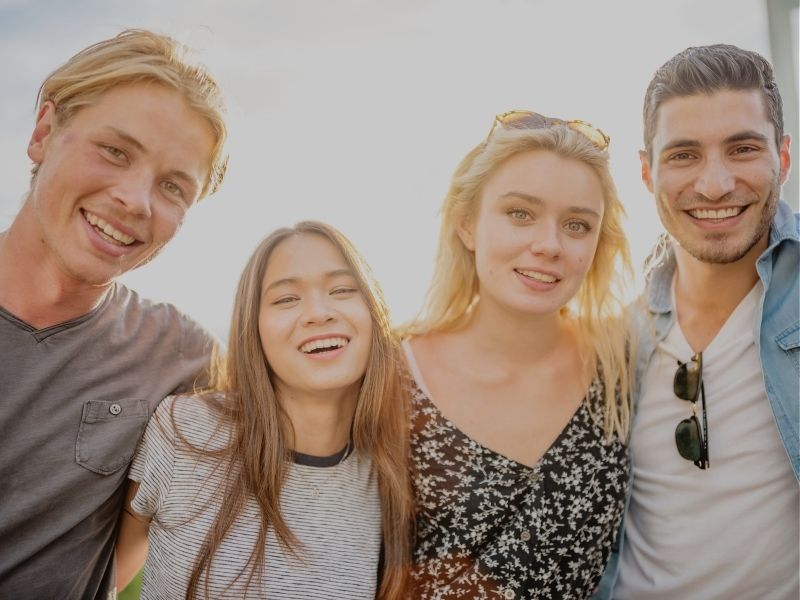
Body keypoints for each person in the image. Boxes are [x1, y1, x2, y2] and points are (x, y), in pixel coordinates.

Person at [0, 29, 228, 598]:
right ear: (44, 132)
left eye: (173, 186)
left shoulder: (182, 357)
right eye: (115, 151)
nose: (136, 200)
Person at [402, 111, 633, 599]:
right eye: (520, 214)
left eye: (577, 225)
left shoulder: (622, 367)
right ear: (467, 224)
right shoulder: (393, 371)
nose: (548, 245)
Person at [115, 222, 414, 599]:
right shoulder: (185, 430)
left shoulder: (392, 472)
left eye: (342, 290)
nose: (318, 313)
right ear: (252, 328)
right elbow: (104, 580)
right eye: (287, 299)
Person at [599, 44, 799, 599]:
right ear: (646, 171)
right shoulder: (614, 343)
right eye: (684, 155)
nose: (714, 185)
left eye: (742, 149)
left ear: (782, 157)